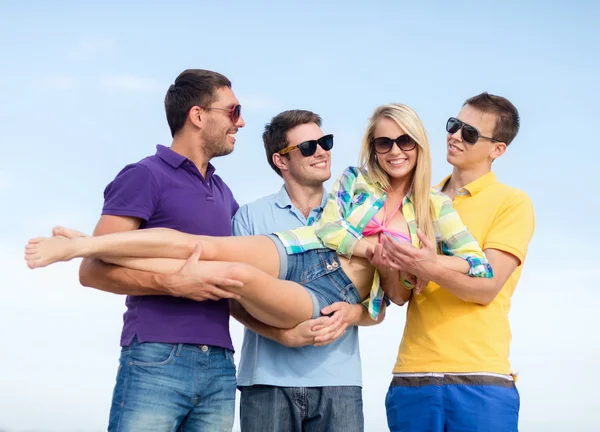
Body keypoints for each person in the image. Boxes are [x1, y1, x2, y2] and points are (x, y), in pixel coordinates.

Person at [25, 103, 493, 330]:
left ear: (419, 146)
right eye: (383, 142)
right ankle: (82, 246)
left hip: (332, 290)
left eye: (405, 142)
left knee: (231, 275)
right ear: (373, 147)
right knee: (203, 246)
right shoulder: (356, 180)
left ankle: (94, 253)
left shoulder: (436, 209)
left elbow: (477, 267)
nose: (394, 151)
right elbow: (329, 227)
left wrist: (425, 263)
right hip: (302, 249)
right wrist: (370, 246)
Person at [68, 69, 245, 431]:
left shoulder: (224, 192)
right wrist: (173, 284)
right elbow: (91, 271)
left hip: (221, 366)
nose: (240, 123)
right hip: (157, 357)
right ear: (198, 115)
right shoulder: (144, 176)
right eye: (233, 111)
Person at [381, 93, 535, 432]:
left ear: (497, 150)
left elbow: (486, 288)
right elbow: (401, 295)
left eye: (469, 133)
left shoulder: (513, 203)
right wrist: (388, 262)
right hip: (412, 376)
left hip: (481, 379)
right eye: (454, 125)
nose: (454, 135)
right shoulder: (419, 200)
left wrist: (428, 266)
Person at [231, 109, 383, 432]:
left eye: (325, 142)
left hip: (339, 383)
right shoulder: (250, 217)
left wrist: (352, 313)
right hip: (266, 383)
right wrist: (283, 336)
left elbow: (379, 304)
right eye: (308, 147)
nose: (322, 151)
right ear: (280, 161)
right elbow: (235, 301)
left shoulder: (353, 215)